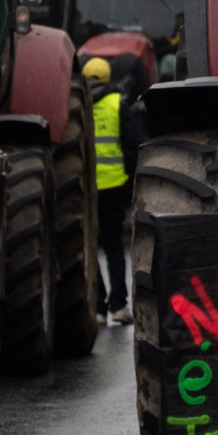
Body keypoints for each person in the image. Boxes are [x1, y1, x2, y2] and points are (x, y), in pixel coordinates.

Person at [85, 57, 147, 325]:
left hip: (86, 190)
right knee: (113, 247)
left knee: (89, 247)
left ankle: (97, 308)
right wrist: (130, 181)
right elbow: (132, 145)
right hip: (113, 187)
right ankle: (119, 306)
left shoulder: (78, 105)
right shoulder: (116, 104)